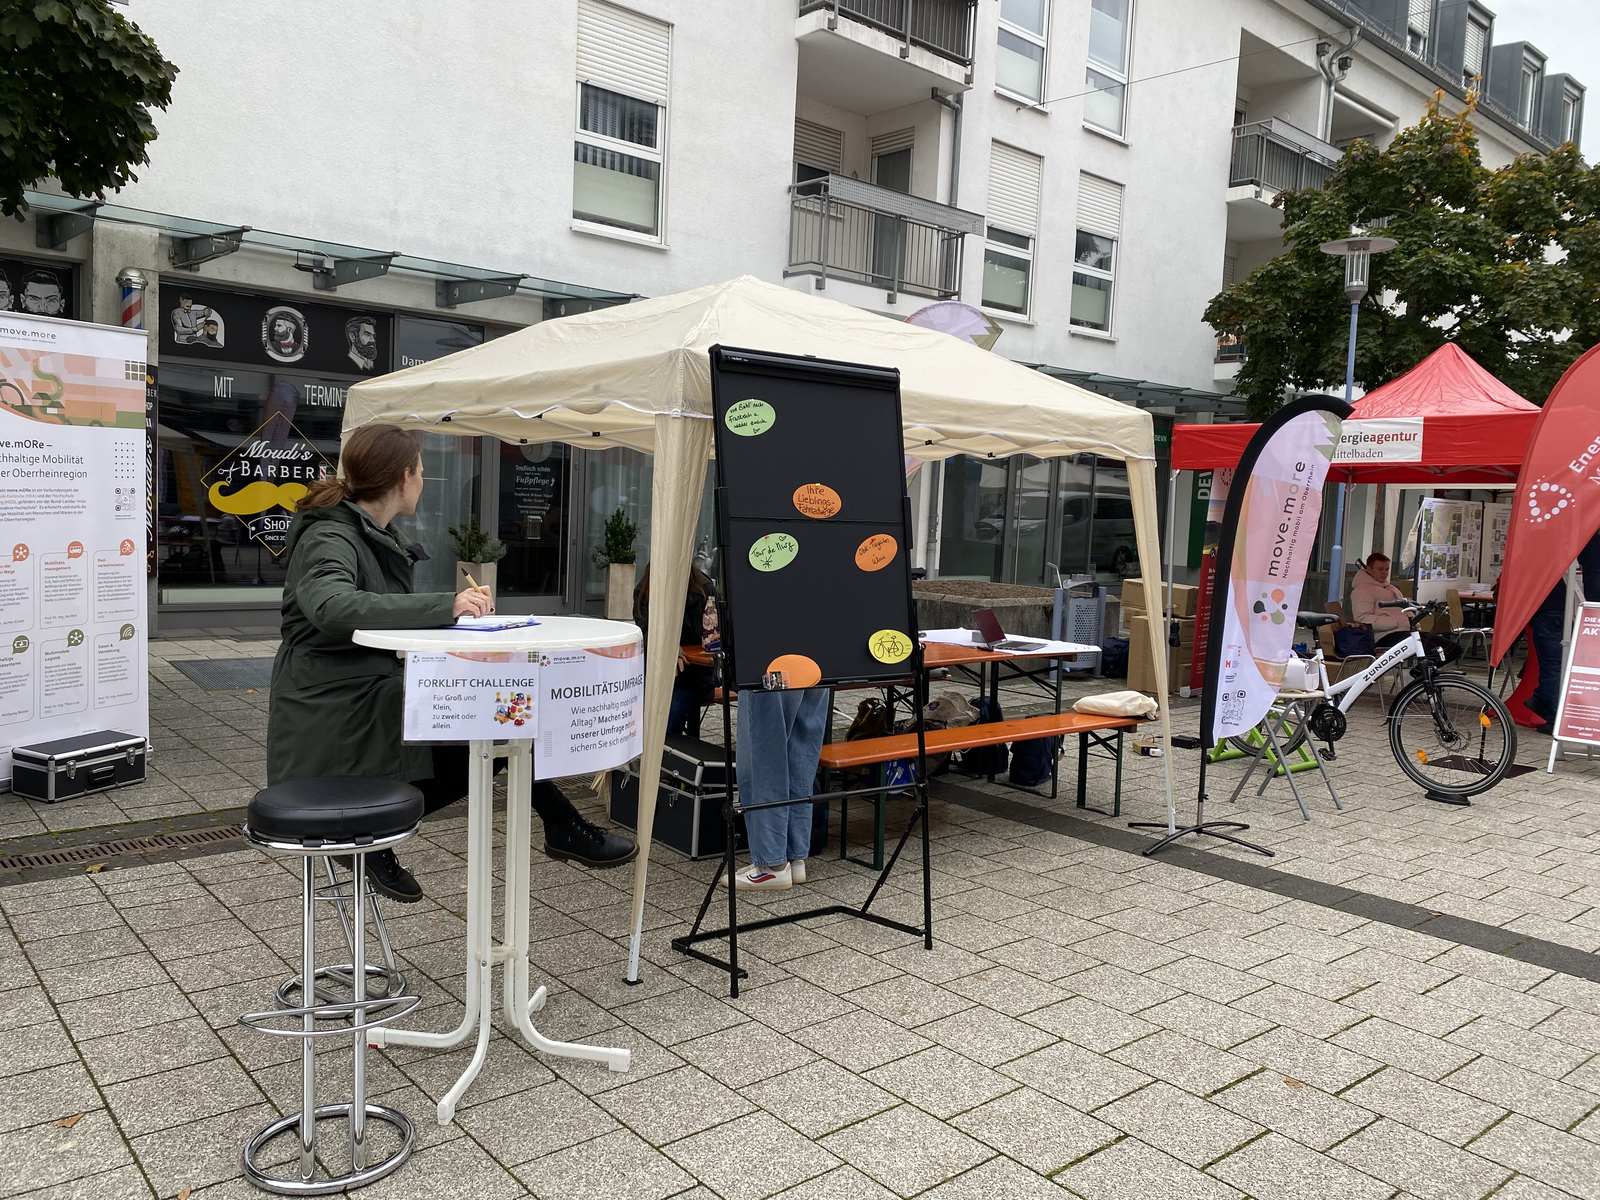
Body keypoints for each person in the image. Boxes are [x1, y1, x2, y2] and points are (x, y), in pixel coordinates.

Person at [267, 424, 637, 903]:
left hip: (365, 694)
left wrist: (452, 614)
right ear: (403, 478)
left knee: (497, 727)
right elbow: (333, 606)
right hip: (335, 708)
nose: (423, 480)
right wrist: (448, 606)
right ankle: (372, 836)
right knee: (494, 725)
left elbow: (369, 610)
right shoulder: (331, 535)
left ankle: (553, 825)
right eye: (421, 471)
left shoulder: (366, 532)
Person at [722, 687, 830, 890]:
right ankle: (794, 857)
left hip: (770, 663)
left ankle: (772, 865)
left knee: (763, 757)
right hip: (819, 659)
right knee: (801, 752)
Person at [633, 562, 719, 738]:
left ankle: (670, 756)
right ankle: (661, 754)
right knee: (651, 710)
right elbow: (644, 629)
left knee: (673, 710)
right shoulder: (646, 589)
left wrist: (719, 635)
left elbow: (725, 622)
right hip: (657, 675)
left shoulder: (704, 588)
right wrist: (669, 647)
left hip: (694, 675)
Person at [1349, 552, 1462, 664]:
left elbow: (1404, 609)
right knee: (1433, 651)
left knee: (1452, 648)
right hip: (1384, 636)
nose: (1384, 573)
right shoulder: (1362, 590)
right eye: (1380, 569)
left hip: (1406, 630)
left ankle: (1420, 677)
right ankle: (1421, 677)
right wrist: (1394, 622)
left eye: (1387, 569)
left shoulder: (1390, 588)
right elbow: (1362, 618)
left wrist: (1413, 622)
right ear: (1369, 569)